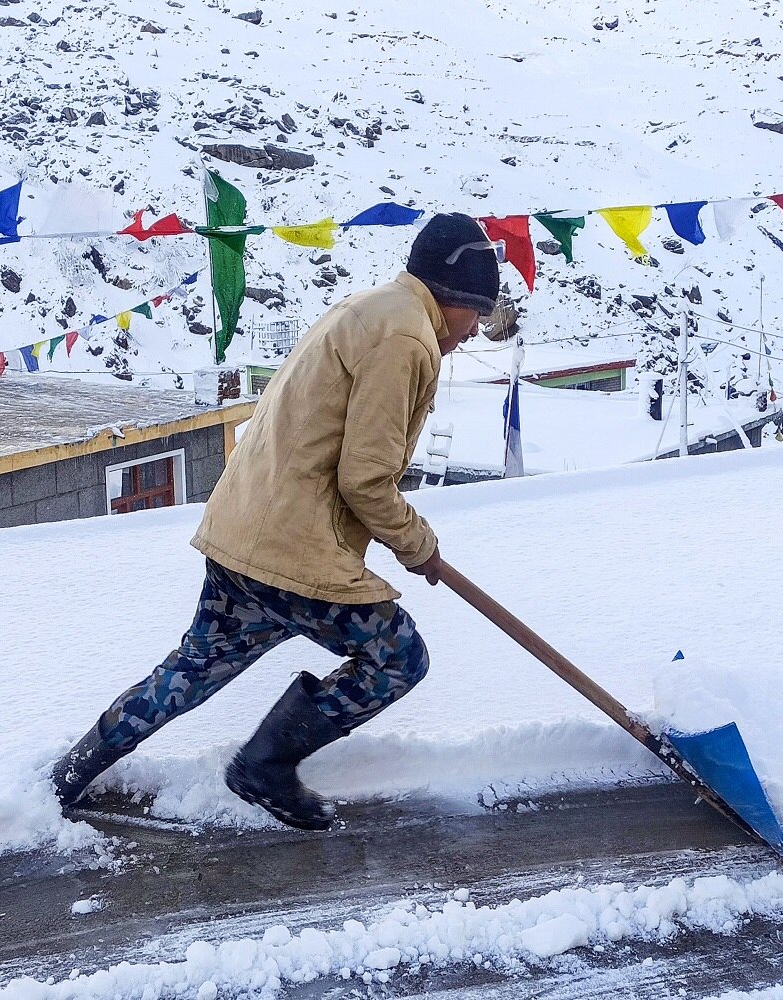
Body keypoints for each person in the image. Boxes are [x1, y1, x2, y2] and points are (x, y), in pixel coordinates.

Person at [50, 213, 501, 831]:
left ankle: (67, 776)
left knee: (191, 669)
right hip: (296, 553)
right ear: (454, 299)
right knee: (399, 657)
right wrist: (416, 544)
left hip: (244, 538)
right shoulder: (406, 339)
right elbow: (366, 478)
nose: (471, 332)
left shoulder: (369, 307)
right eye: (475, 314)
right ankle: (264, 765)